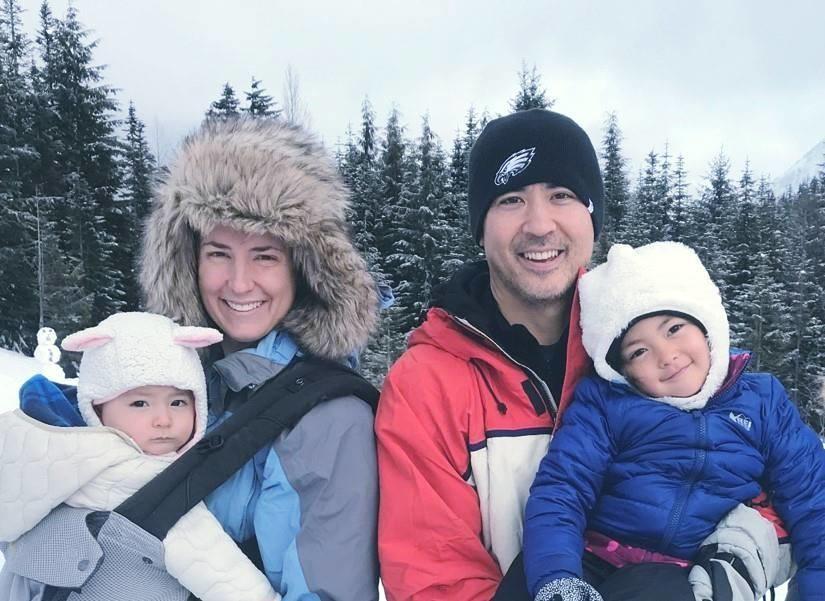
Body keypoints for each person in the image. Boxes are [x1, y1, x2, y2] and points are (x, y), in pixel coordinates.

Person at [374, 108, 788, 601]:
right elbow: (433, 577)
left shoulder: (651, 345)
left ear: (592, 217)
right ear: (481, 228)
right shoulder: (428, 384)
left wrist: (743, 548)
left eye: (561, 195)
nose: (539, 224)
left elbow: (780, 485)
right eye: (510, 199)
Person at [139, 117, 383, 601]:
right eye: (218, 253)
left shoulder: (329, 419)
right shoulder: (163, 381)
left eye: (265, 256)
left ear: (304, 267)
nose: (239, 283)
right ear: (188, 261)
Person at [524, 242, 825, 601]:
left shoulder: (762, 402)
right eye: (639, 351)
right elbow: (563, 487)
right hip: (593, 556)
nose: (666, 356)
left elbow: (813, 499)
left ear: (706, 323)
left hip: (681, 575)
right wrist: (556, 576)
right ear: (622, 371)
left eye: (674, 329)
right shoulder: (606, 404)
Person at [0, 312, 279, 601]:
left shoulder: (42, 447)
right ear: (96, 408)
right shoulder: (143, 477)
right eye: (140, 403)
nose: (163, 419)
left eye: (178, 402)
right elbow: (218, 569)